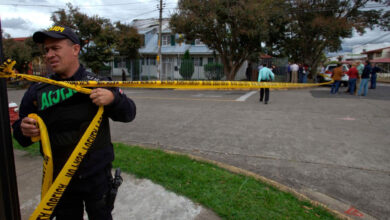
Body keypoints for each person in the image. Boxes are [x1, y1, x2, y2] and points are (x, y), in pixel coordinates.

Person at [12, 25, 136, 220]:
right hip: (60, 181)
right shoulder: (37, 90)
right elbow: (20, 136)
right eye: (46, 50)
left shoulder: (97, 83)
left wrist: (113, 99)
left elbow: (129, 113)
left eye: (56, 48)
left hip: (97, 177)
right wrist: (23, 129)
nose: (49, 54)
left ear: (75, 49)